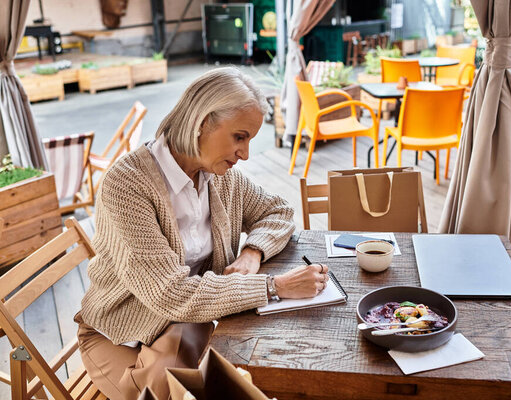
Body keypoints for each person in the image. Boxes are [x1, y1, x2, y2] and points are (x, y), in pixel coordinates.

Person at [75, 67, 328, 400]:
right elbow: (170, 294)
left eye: (250, 139)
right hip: (119, 333)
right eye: (239, 137)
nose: (246, 153)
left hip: (191, 324)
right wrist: (274, 286)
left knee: (242, 366)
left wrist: (253, 252)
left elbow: (278, 212)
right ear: (202, 123)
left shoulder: (220, 177)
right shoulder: (127, 184)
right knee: (193, 382)